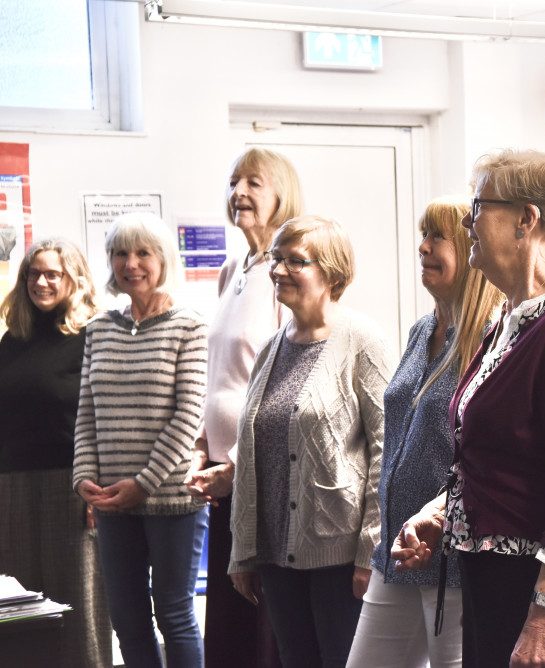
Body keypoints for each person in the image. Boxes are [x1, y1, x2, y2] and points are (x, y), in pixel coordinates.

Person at [393, 149, 545, 668]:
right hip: (500, 571)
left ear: (527, 220)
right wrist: (442, 513)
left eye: (477, 207)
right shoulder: (513, 318)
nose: (465, 221)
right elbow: (493, 454)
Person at [229, 215, 392, 668]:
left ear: (333, 274)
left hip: (340, 556)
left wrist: (369, 549)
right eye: (275, 258)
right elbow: (252, 455)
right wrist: (243, 552)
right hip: (276, 555)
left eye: (294, 261)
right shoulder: (271, 346)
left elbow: (387, 451)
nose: (277, 270)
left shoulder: (362, 340)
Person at [346, 197, 503, 668]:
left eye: (438, 237)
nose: (423, 247)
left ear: (471, 250)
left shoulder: (492, 337)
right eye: (423, 235)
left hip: (453, 557)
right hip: (397, 549)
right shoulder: (422, 330)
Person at [73, 213, 209, 668]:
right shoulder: (98, 328)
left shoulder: (188, 325)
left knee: (173, 615)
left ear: (162, 259)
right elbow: (87, 412)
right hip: (113, 501)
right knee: (126, 620)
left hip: (171, 499)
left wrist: (143, 482)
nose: (131, 263)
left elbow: (189, 414)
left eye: (142, 253)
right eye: (120, 254)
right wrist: (84, 479)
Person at [184, 146, 302, 668]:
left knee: (263, 630)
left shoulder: (287, 268)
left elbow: (290, 378)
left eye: (254, 182)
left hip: (263, 476)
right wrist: (202, 448)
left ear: (282, 192)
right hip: (223, 473)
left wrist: (237, 465)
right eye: (234, 181)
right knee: (229, 627)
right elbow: (221, 373)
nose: (239, 193)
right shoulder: (234, 265)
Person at [0, 239, 111, 668]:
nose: (40, 282)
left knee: (77, 606)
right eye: (33, 273)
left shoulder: (91, 336)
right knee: (18, 609)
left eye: (52, 274)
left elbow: (104, 414)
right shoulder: (13, 340)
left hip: (72, 485)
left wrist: (96, 487)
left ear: (74, 279)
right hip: (11, 487)